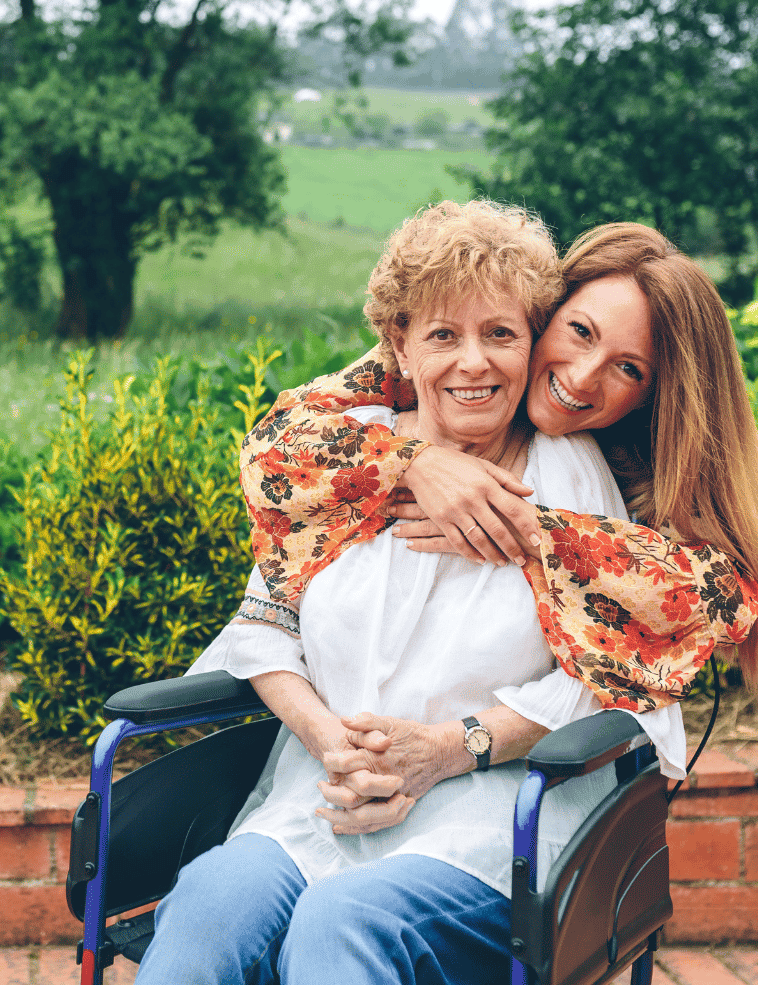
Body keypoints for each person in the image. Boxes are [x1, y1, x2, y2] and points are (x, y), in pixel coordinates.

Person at [134, 201, 690, 985]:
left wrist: (446, 750)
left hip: (490, 820)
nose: (474, 363)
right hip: (319, 798)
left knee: (347, 921)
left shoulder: (566, 483)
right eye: (443, 335)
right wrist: (328, 739)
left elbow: (607, 677)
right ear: (399, 344)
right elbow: (263, 625)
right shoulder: (346, 461)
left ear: (531, 343)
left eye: (500, 333)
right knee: (208, 904)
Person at [241, 221, 758, 717]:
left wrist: (532, 530)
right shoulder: (405, 382)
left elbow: (718, 599)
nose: (583, 377)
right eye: (581, 332)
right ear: (544, 316)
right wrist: (414, 462)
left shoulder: (616, 466)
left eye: (628, 368)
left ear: (653, 397)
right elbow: (272, 444)